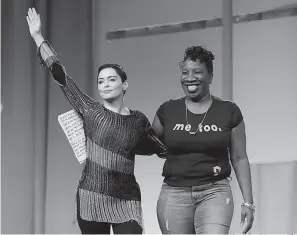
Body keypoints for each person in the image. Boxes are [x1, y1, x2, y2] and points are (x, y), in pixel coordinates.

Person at [26, 7, 167, 234]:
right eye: (101, 81)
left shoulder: (138, 120)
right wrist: (37, 36)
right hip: (91, 197)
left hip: (127, 200)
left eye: (112, 79)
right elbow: (61, 76)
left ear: (125, 85)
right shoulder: (90, 109)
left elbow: (157, 148)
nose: (106, 84)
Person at [152, 45, 254, 234]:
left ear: (210, 76)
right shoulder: (167, 111)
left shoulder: (229, 111)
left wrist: (248, 202)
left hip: (215, 191)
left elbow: (240, 158)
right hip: (174, 193)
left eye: (197, 72)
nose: (190, 77)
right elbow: (147, 143)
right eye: (185, 72)